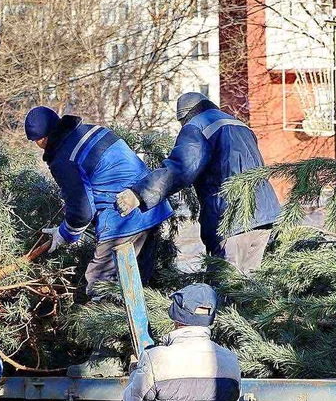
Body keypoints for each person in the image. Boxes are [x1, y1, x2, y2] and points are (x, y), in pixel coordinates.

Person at [24, 105, 174, 376]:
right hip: (150, 208)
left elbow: (82, 209)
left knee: (101, 284)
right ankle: (137, 353)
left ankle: (104, 359)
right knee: (137, 288)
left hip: (123, 220)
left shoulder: (64, 157)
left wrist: (65, 234)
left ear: (40, 139)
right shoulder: (92, 131)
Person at [116, 92, 281, 274]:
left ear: (185, 116)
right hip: (264, 216)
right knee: (248, 290)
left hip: (231, 219)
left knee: (226, 288)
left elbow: (181, 168)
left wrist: (139, 193)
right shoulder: (239, 125)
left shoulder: (198, 126)